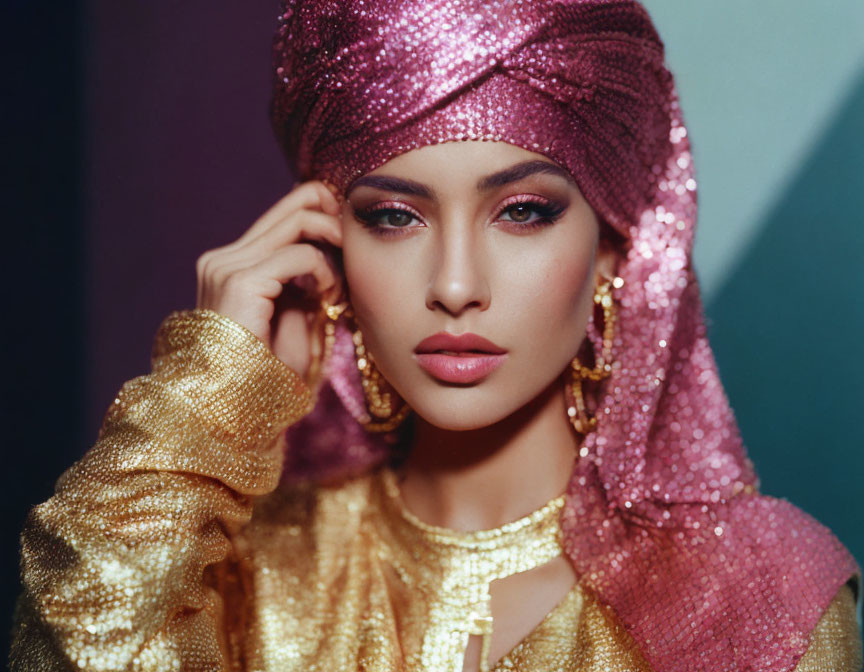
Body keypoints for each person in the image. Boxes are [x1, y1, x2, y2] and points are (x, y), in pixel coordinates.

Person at [9, 1, 862, 670]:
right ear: (330, 246)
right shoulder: (242, 573)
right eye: (393, 217)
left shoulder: (758, 599)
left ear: (613, 250)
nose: (456, 285)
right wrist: (209, 394)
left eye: (523, 212)